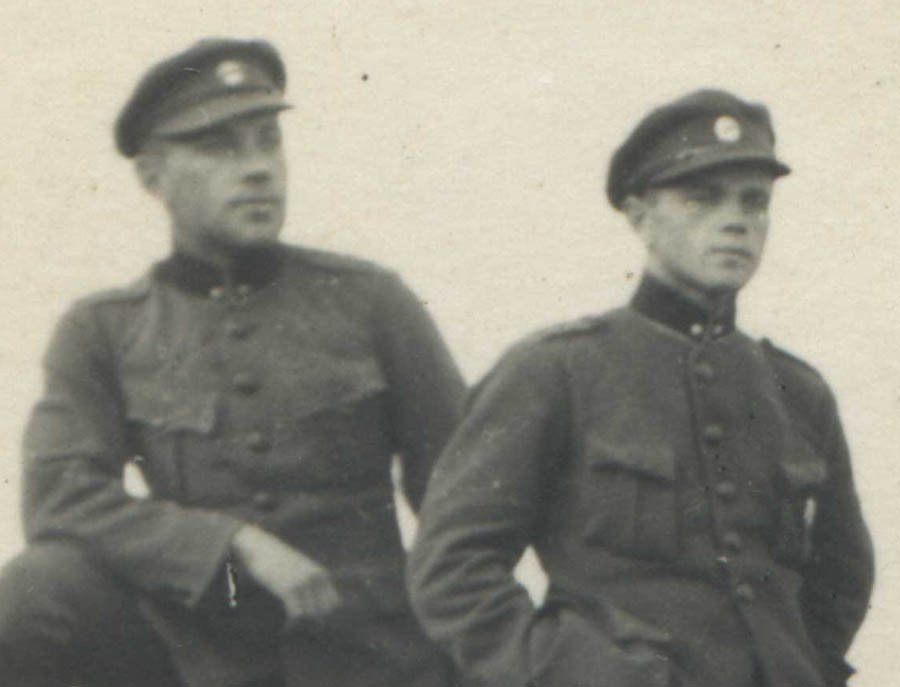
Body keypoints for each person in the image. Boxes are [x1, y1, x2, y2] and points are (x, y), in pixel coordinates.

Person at [0, 38, 466, 687]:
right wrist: (228, 542)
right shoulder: (103, 329)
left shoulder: (370, 301)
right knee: (33, 591)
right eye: (220, 148)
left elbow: (466, 496)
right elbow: (60, 498)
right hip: (199, 655)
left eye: (268, 142)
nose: (258, 170)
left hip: (366, 652)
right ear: (153, 176)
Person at [407, 90, 874, 687]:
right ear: (639, 214)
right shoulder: (556, 372)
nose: (736, 220)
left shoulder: (797, 392)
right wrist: (575, 673)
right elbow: (451, 570)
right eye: (702, 198)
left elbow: (843, 577)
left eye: (754, 201)